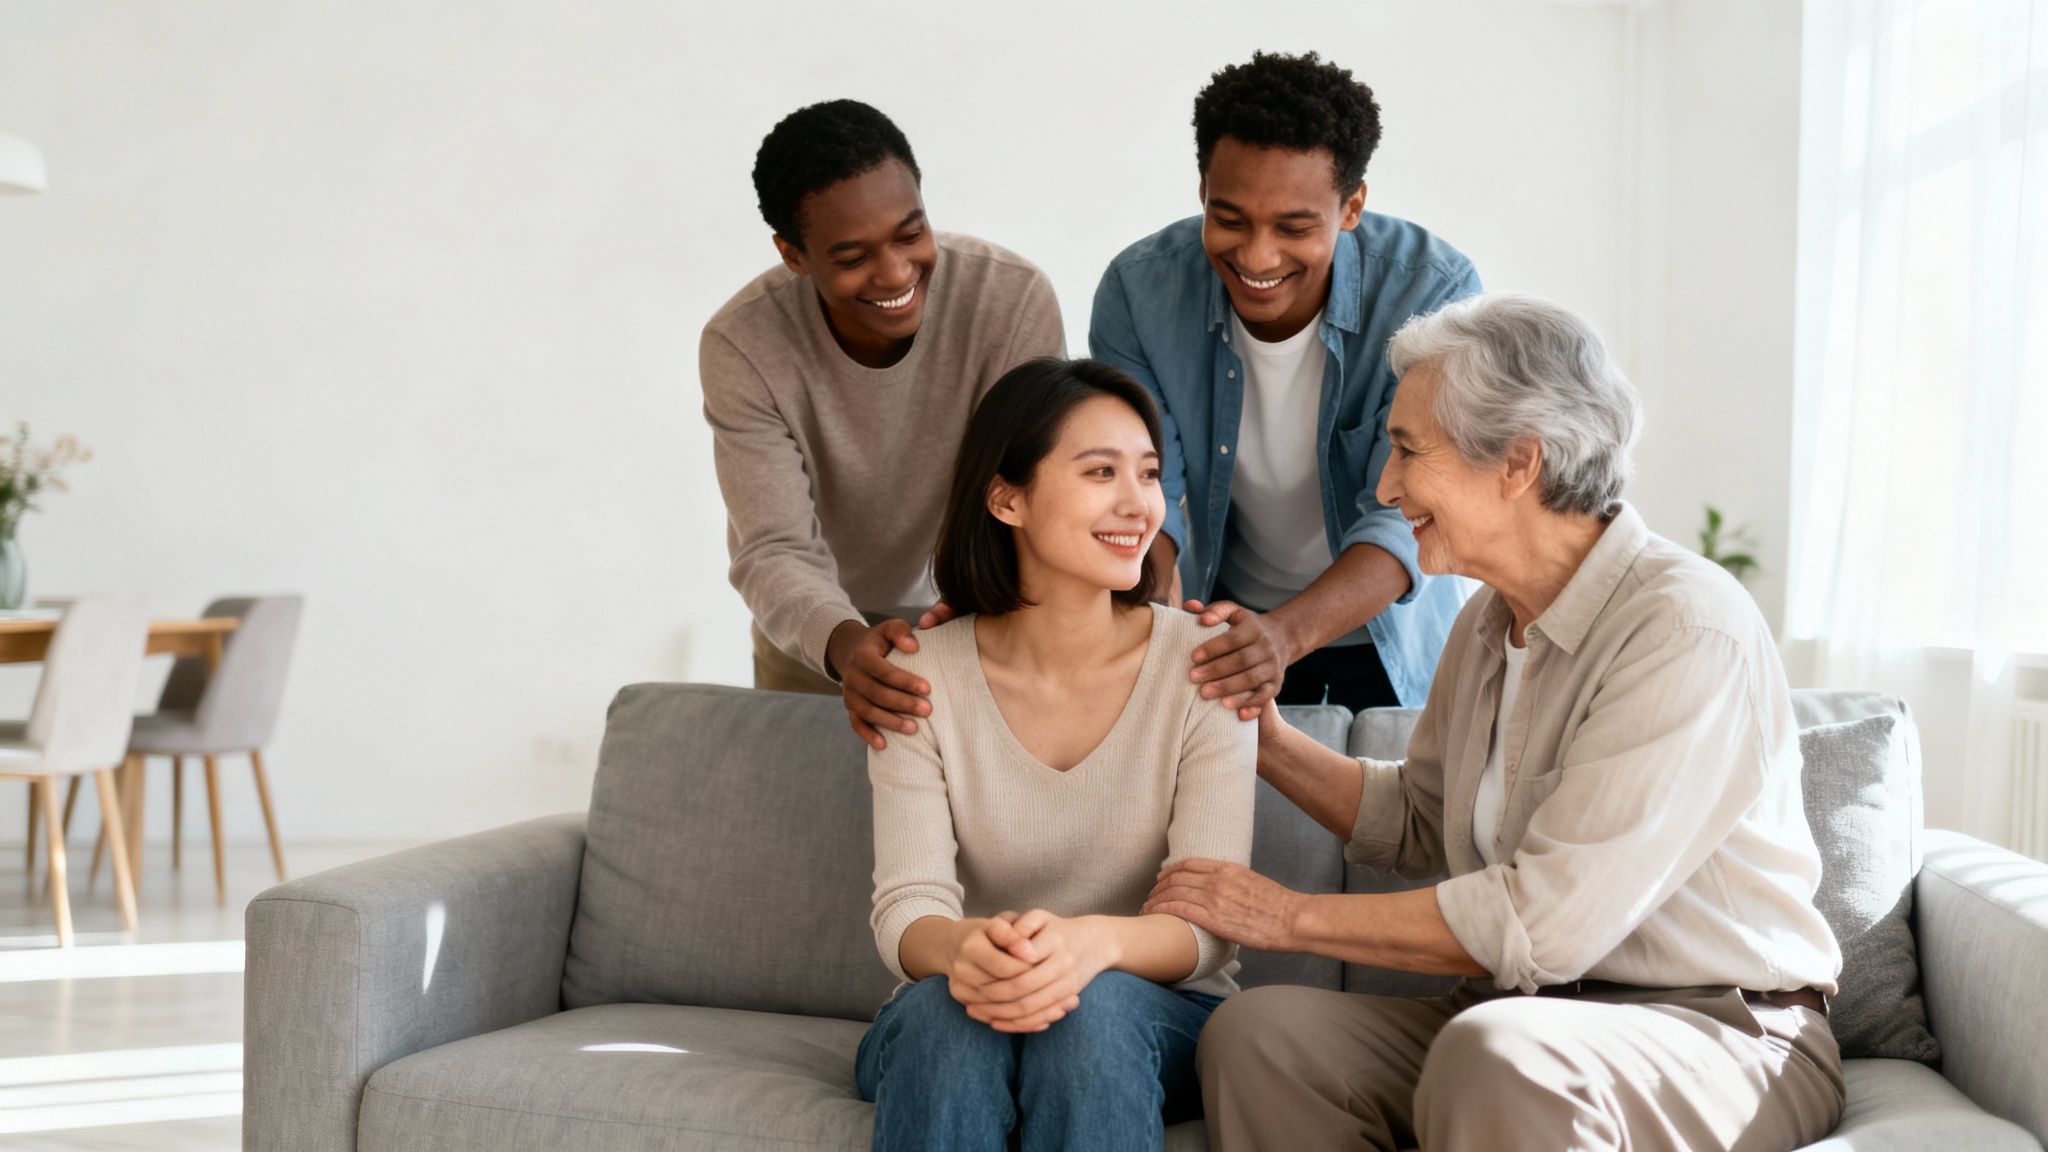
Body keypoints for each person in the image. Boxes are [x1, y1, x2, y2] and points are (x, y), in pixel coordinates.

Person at [1143, 294, 1845, 1152]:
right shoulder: (1487, 622)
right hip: (1520, 1020)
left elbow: (1543, 924)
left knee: (1498, 1054)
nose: (1385, 487)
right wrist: (1263, 738)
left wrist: (1286, 916)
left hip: (1721, 1033)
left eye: (1406, 449)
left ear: (1518, 463)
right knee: (1260, 1039)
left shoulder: (1684, 628)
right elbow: (1421, 818)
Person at [859, 357, 1256, 1151]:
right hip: (965, 1001)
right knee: (947, 1009)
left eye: (1147, 473)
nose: (1137, 504)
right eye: (1100, 472)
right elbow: (908, 908)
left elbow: (1209, 928)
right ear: (1007, 498)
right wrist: (970, 951)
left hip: (1154, 1011)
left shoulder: (1207, 664)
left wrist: (1092, 946)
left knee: (1092, 1011)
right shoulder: (919, 675)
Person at [1091, 50, 1480, 720]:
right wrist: (1159, 622)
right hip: (1219, 624)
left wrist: (1284, 637)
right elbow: (1149, 491)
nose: (1257, 257)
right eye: (1231, 218)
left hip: (1389, 641)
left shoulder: (1433, 295)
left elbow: (1408, 512)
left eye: (1295, 228)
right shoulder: (1139, 291)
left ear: (1352, 205)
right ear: (1202, 190)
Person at [701, 99, 1064, 748]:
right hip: (816, 637)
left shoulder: (1009, 300)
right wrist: (845, 646)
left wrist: (993, 626)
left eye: (909, 234)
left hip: (983, 615)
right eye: (851, 257)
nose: (895, 273)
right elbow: (774, 547)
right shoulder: (743, 346)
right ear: (793, 255)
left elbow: (1036, 495)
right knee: (806, 827)